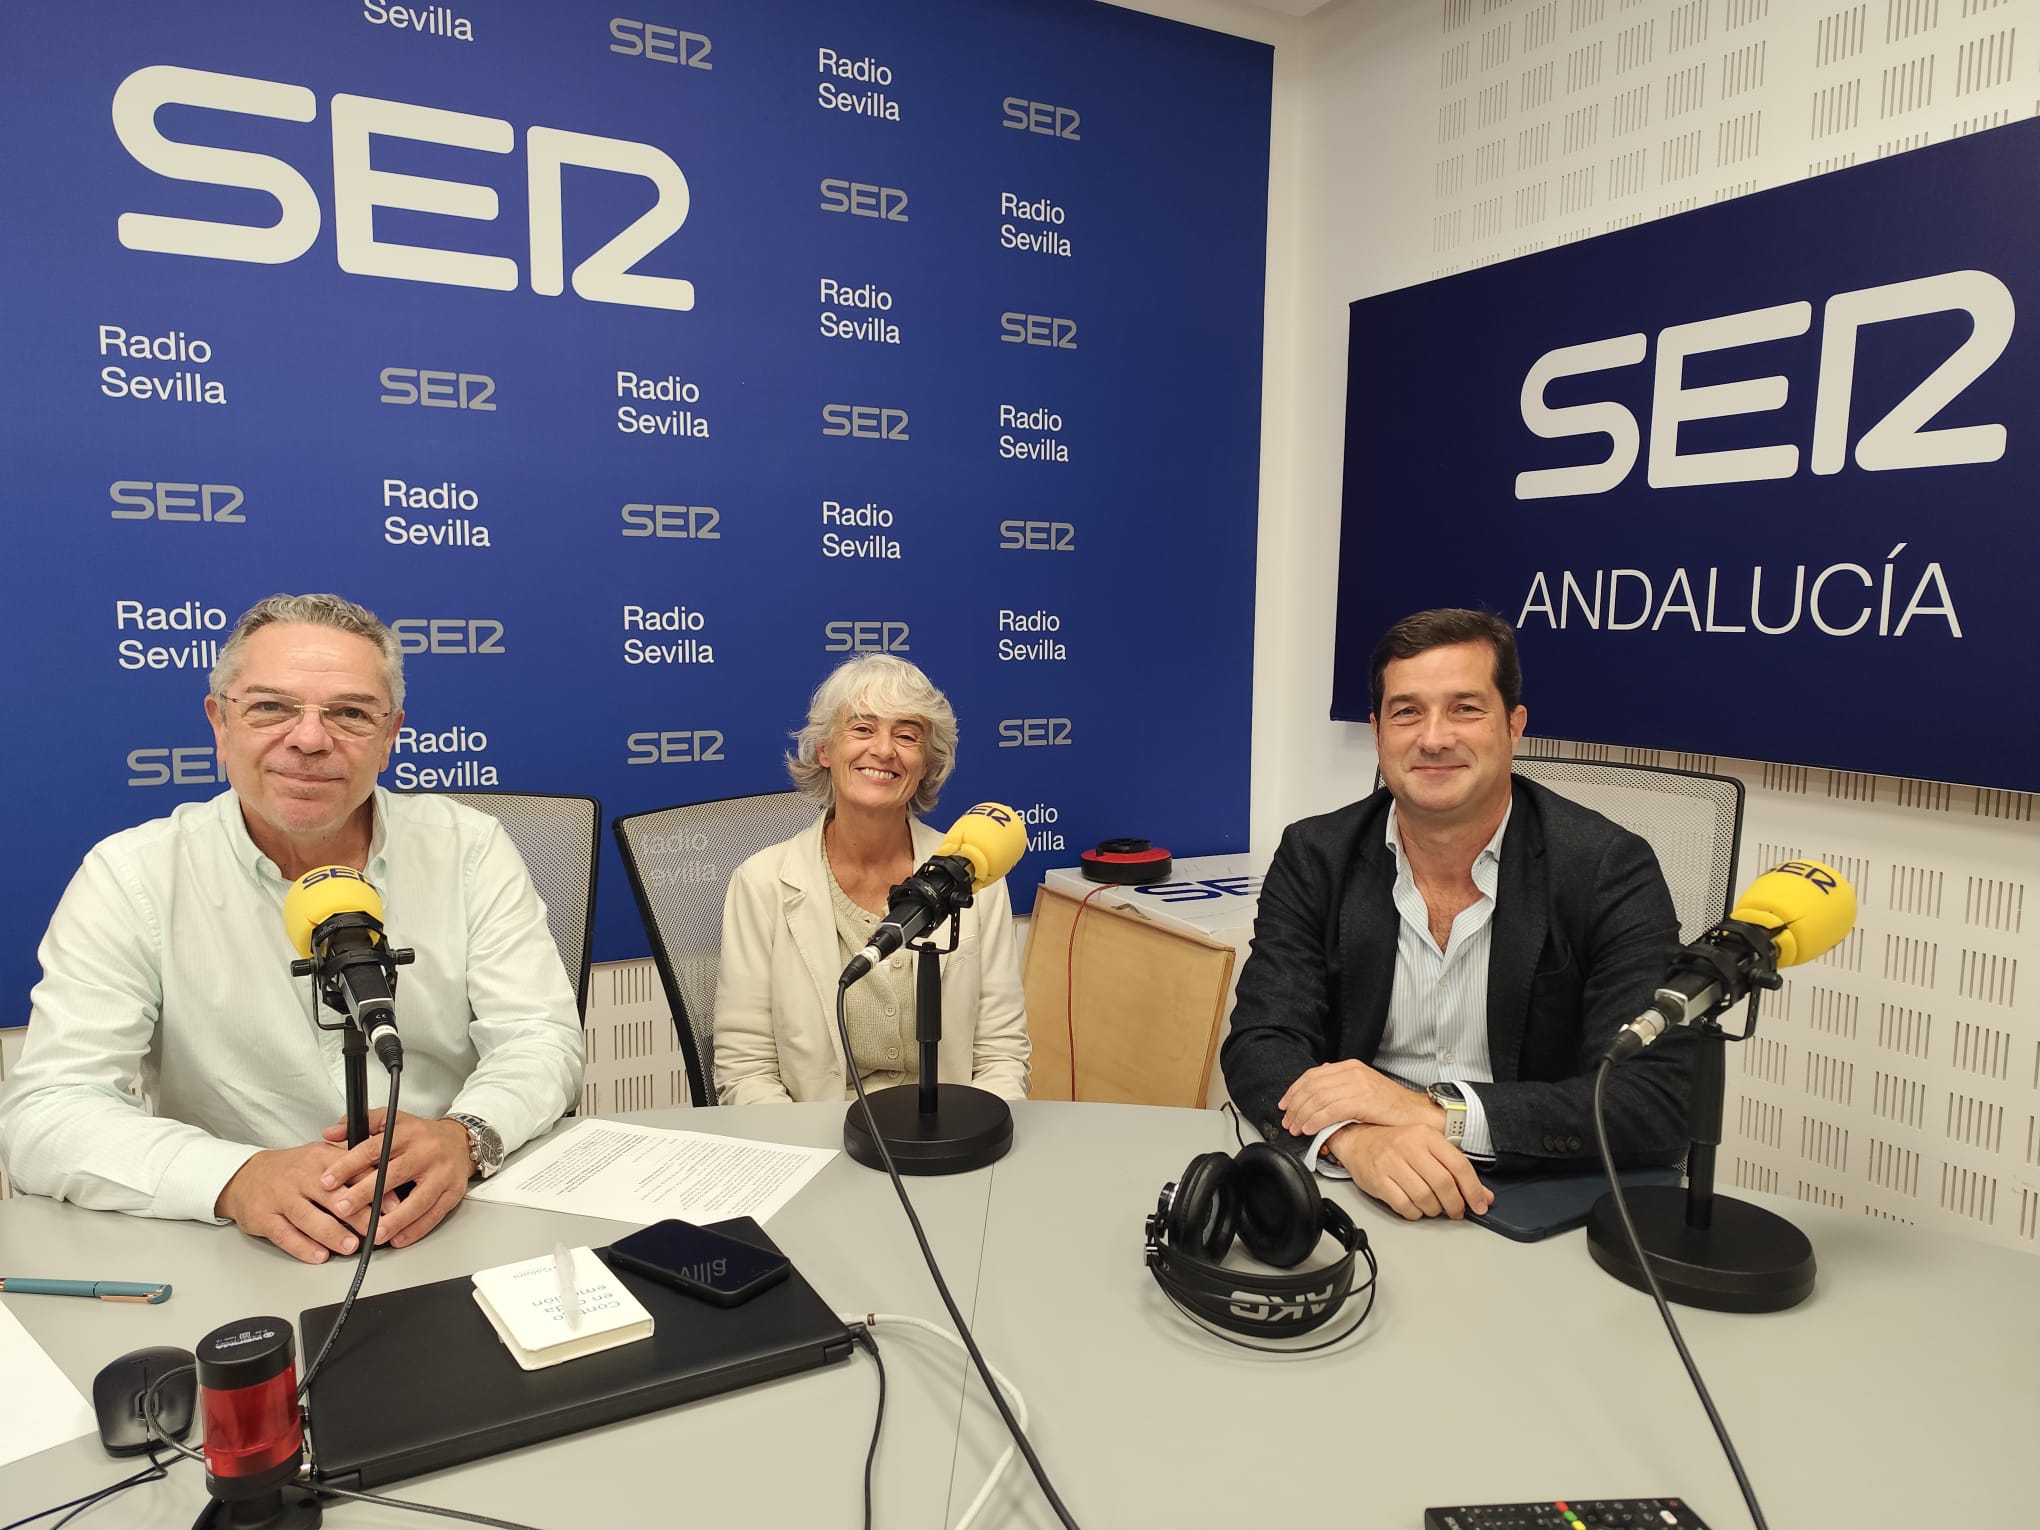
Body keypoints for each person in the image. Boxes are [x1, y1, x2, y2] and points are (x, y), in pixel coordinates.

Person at [0, 594, 583, 1263]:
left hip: (452, 1219)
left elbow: (539, 1038)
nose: (309, 739)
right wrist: (235, 1177)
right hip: (240, 1248)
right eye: (271, 707)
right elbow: (49, 1109)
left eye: (350, 713)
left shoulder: (469, 848)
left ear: (390, 737)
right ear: (220, 724)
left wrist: (466, 1136)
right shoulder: (132, 876)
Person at [1220, 608, 1694, 1221]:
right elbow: (1262, 1043)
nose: (1434, 737)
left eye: (1465, 708)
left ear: (1513, 727)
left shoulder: (1606, 867)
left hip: (1535, 1188)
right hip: (1363, 1184)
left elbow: (1651, 1097)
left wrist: (1435, 1114)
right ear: (1378, 732)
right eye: (1407, 712)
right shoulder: (1317, 855)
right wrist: (1351, 1140)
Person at [714, 654, 1030, 1104]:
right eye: (862, 729)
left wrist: (972, 1133)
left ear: (927, 762)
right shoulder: (762, 882)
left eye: (906, 735)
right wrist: (802, 1143)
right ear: (824, 750)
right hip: (814, 1131)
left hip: (950, 1127)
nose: (884, 750)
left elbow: (1002, 1055)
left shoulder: (975, 876)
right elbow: (746, 1070)